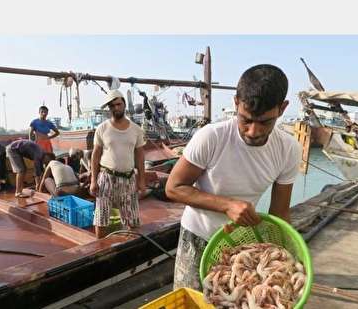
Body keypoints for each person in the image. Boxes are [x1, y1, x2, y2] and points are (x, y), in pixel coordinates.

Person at [165, 64, 302, 291]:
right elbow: (173, 187)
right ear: (236, 102)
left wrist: (284, 257)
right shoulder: (211, 137)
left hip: (243, 245)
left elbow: (280, 212)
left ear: (283, 108)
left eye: (265, 122)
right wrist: (227, 205)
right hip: (198, 236)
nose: (253, 131)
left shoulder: (289, 149)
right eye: (246, 119)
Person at [90, 89, 146, 239]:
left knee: (132, 220)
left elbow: (140, 157)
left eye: (118, 104)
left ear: (124, 104)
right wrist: (93, 181)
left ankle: (130, 248)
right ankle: (99, 250)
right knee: (101, 219)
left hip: (129, 178)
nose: (116, 108)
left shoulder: (136, 130)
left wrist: (141, 180)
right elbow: (95, 156)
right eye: (112, 106)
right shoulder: (102, 128)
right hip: (107, 177)